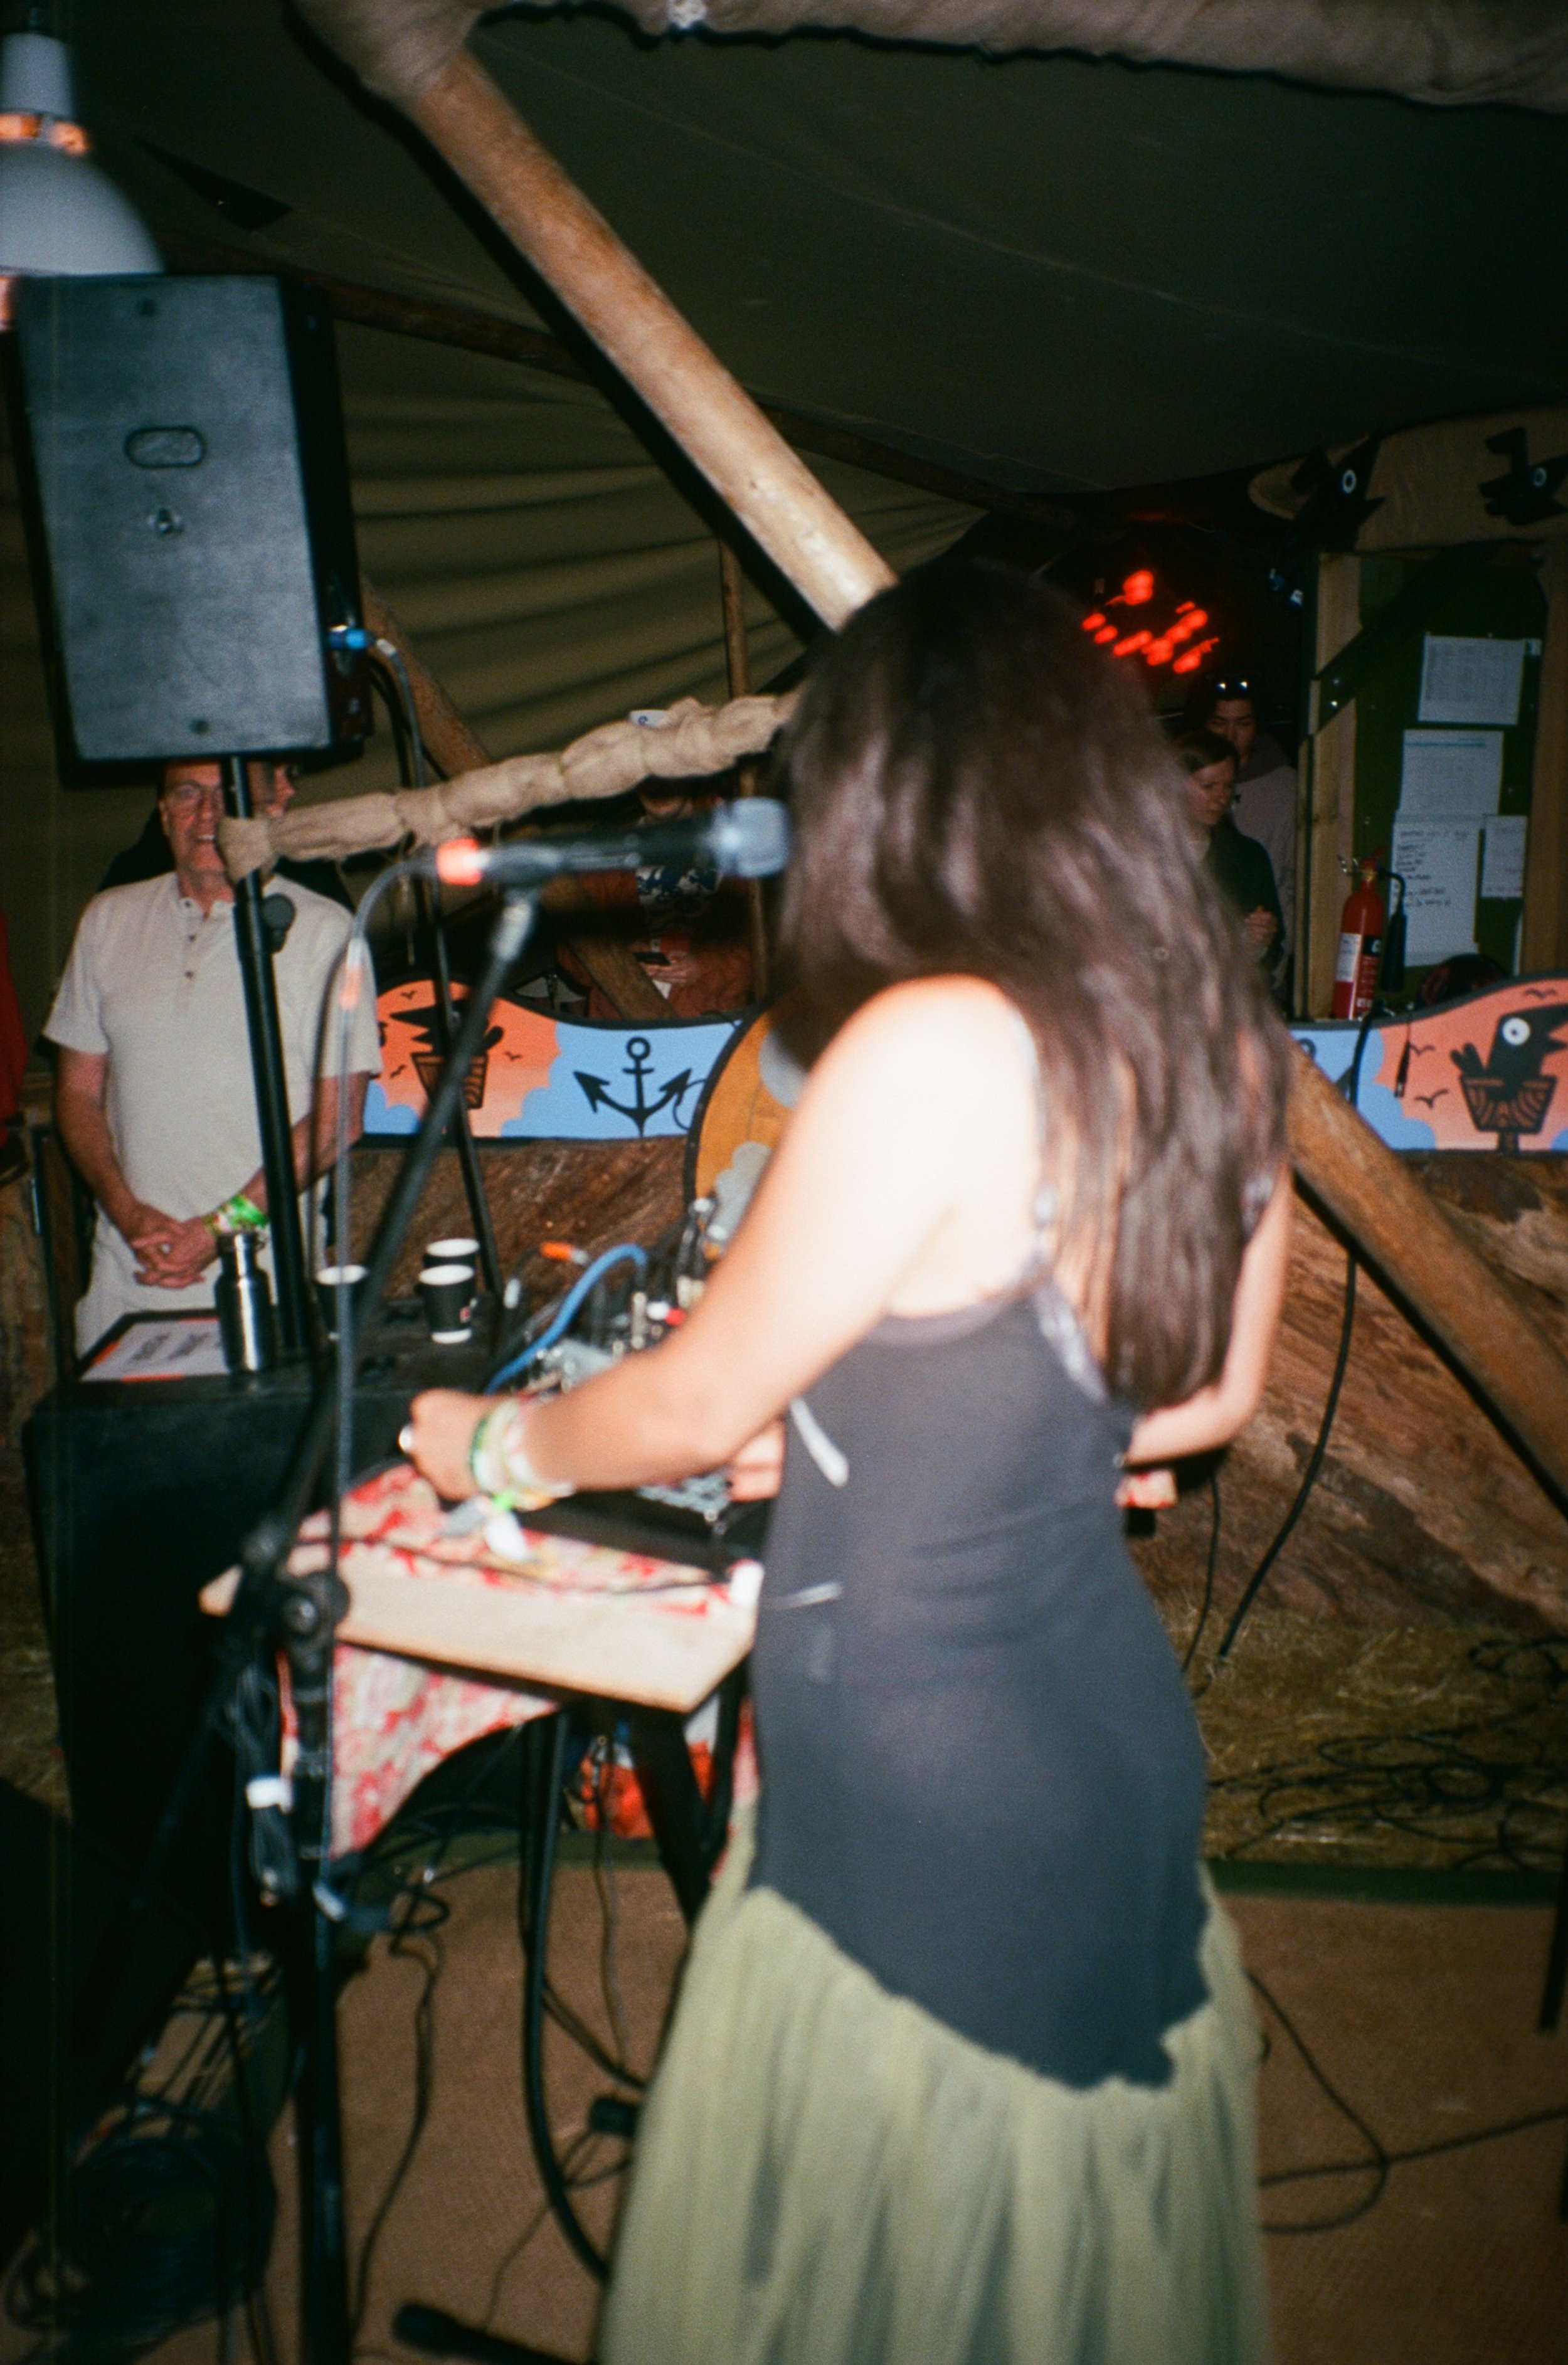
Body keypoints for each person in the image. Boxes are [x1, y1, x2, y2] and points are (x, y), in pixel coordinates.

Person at [407, 565, 1293, 2364]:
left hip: (921, 1771)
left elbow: (677, 1406)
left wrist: (483, 1440)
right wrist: (923, 1439)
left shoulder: (928, 1039)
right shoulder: (1215, 1033)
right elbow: (1198, 1399)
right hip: (1106, 1742)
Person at [45, 759, 381, 1353]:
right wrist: (125, 1211)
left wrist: (220, 1231)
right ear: (162, 812)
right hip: (126, 1284)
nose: (207, 815)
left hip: (265, 1286)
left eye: (228, 796)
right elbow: (76, 1092)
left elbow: (339, 1122)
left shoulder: (326, 931)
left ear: (270, 808)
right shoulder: (106, 919)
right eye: (188, 794)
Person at [554, 781, 753, 1018]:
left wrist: (705, 967)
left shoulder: (736, 847)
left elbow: (771, 951)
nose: (658, 788)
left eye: (667, 776)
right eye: (648, 778)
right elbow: (570, 950)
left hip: (708, 1023)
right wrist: (620, 956)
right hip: (620, 1024)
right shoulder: (610, 852)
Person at [98, 759, 354, 909]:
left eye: (290, 774)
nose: (288, 790)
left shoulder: (307, 868)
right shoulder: (126, 894)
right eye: (272, 773)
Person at [1202, 675, 1298, 973]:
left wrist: (1272, 951)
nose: (1230, 736)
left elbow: (1295, 886)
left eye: (1243, 724)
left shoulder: (1286, 789)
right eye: (1219, 723)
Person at [1177, 728, 1284, 976]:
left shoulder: (1248, 857)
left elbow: (1272, 954)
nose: (1221, 798)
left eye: (1228, 786)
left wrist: (1258, 944)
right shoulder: (1143, 854)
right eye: (1209, 786)